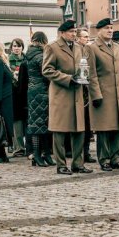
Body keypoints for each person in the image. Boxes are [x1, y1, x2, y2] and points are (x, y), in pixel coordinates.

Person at [42, 19, 92, 174]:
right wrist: (68, 78)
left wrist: (84, 76)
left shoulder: (79, 47)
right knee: (60, 131)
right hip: (61, 94)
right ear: (62, 33)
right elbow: (47, 70)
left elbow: (83, 65)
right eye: (70, 32)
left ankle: (78, 163)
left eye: (74, 31)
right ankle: (61, 165)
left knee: (79, 130)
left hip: (77, 93)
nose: (73, 34)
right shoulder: (52, 47)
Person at [88, 18, 119, 171]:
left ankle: (116, 158)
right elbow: (91, 74)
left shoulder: (118, 47)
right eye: (107, 28)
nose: (110, 30)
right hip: (103, 94)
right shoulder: (93, 48)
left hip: (118, 94)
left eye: (111, 28)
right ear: (99, 30)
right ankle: (104, 159)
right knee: (104, 128)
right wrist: (96, 94)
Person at [19, 31, 53, 167]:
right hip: (42, 91)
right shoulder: (40, 55)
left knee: (39, 124)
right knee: (40, 125)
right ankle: (39, 155)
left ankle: (44, 154)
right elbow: (46, 73)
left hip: (33, 91)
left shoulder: (29, 54)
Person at [76, 28, 96, 163]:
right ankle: (78, 152)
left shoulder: (88, 50)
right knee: (80, 124)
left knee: (88, 125)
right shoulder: (76, 50)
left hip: (88, 90)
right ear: (78, 38)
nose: (87, 39)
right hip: (79, 89)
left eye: (88, 37)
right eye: (84, 37)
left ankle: (86, 152)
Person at [9, 38, 27, 157]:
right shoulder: (7, 60)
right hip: (13, 93)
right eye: (14, 46)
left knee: (26, 120)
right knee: (17, 122)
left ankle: (28, 146)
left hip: (25, 92)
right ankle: (18, 147)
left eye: (19, 46)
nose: (16, 48)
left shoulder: (26, 60)